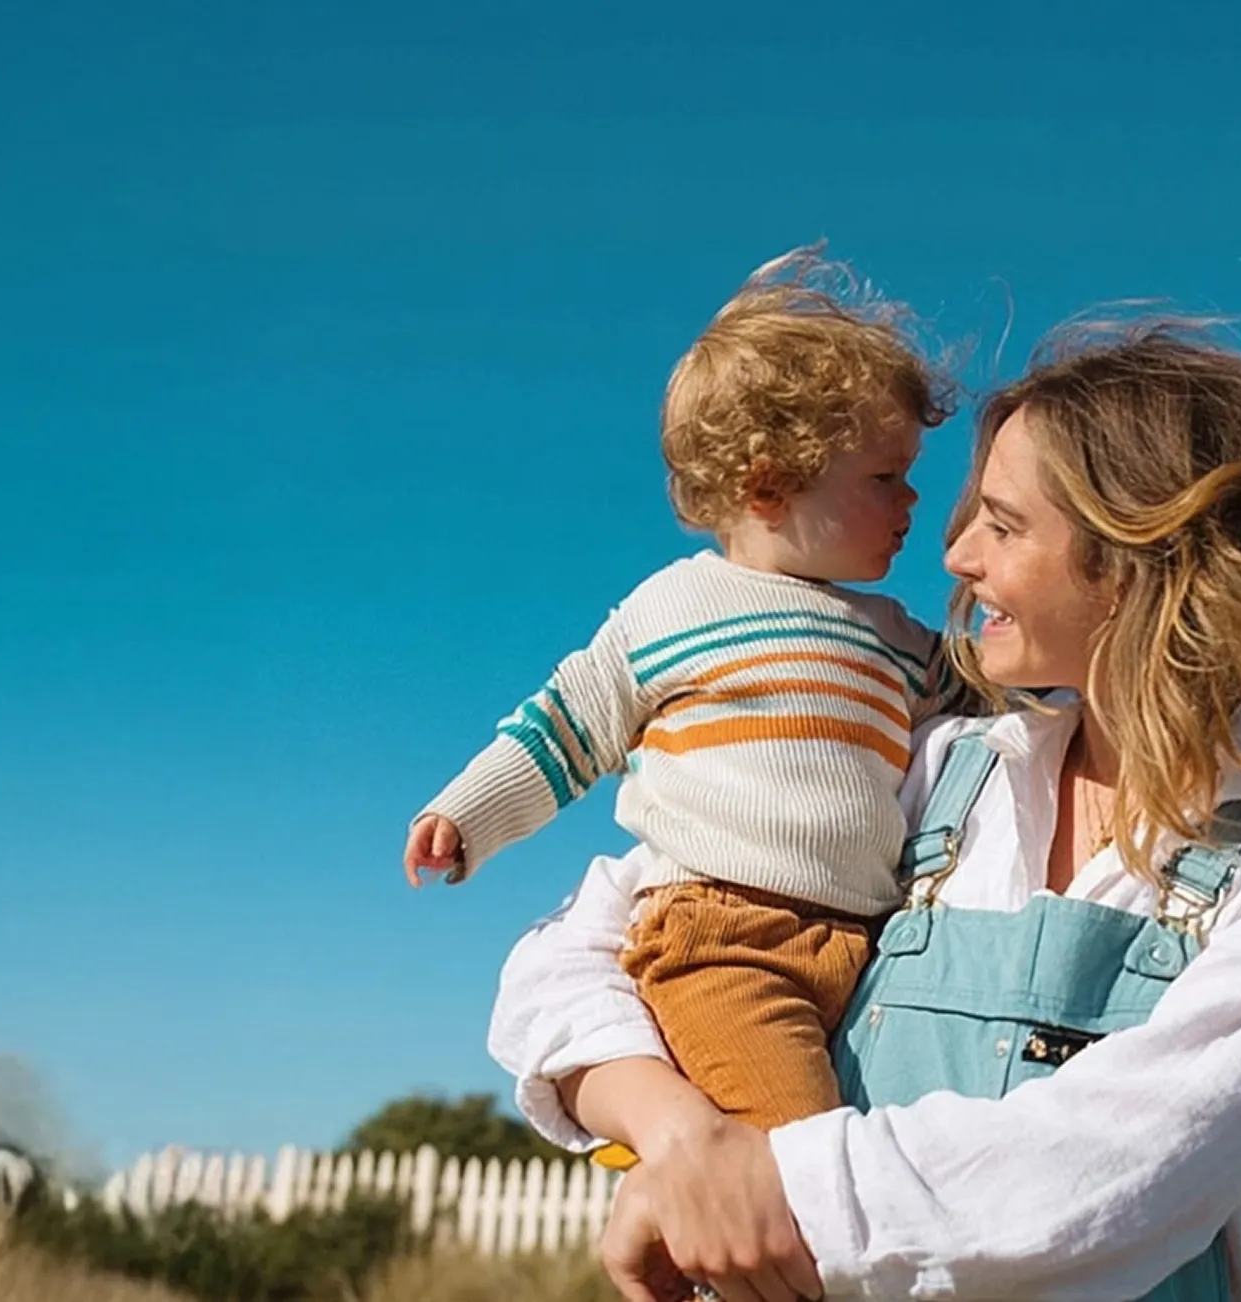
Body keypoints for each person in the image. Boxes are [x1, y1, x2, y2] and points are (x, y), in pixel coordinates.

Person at [487, 319, 1241, 1302]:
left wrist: (766, 1187)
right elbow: (568, 955)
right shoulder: (931, 771)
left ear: (1137, 560)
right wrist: (686, 1143)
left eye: (1003, 524)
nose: (955, 556)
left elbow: (1119, 1166)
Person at [407, 246, 964, 1132]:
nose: (913, 500)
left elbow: (997, 713)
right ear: (770, 486)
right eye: (884, 478)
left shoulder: (897, 635)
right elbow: (567, 723)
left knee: (854, 1150)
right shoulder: (677, 606)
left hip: (870, 943)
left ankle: (683, 1239)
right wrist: (466, 814)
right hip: (726, 942)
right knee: (798, 1157)